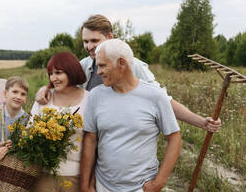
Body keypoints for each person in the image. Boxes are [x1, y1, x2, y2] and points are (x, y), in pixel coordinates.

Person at [36, 14, 221, 132]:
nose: (89, 46)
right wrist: (47, 88)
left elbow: (163, 99)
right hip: (88, 137)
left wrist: (199, 121)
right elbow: (64, 87)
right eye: (85, 41)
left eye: (94, 40)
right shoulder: (84, 65)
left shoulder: (134, 66)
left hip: (121, 135)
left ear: (110, 37)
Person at [80, 39, 182, 192]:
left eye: (102, 65)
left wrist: (158, 183)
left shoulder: (155, 96)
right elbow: (90, 140)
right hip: (106, 191)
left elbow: (174, 138)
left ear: (121, 63)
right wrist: (86, 184)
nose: (98, 71)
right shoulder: (96, 95)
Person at [30, 52, 89, 192]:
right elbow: (30, 131)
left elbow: (95, 141)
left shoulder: (89, 99)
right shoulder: (44, 99)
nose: (54, 78)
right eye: (51, 73)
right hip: (44, 176)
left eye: (59, 72)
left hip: (76, 177)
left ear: (71, 71)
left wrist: (90, 182)